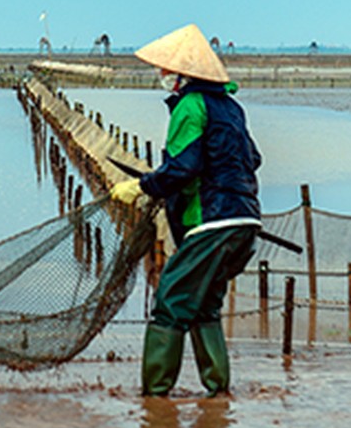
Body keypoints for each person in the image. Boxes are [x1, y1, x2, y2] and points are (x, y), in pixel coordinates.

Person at [109, 23, 261, 397]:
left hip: (210, 222)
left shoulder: (191, 106)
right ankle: (218, 393)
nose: (161, 75)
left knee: (171, 302)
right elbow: (252, 158)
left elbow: (183, 167)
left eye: (165, 69)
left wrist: (141, 186)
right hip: (245, 220)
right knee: (205, 307)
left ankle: (154, 397)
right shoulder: (231, 107)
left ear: (182, 74)